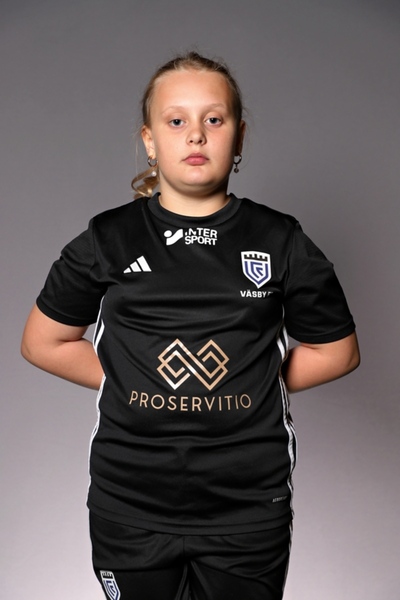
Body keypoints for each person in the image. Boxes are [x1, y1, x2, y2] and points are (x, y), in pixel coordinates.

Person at [21, 51, 360, 600]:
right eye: (176, 120)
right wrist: (131, 381)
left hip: (248, 509)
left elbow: (337, 351)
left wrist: (254, 382)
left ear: (239, 137)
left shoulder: (280, 240)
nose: (196, 134)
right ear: (150, 140)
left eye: (214, 119)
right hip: (129, 504)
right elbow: (43, 342)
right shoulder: (108, 239)